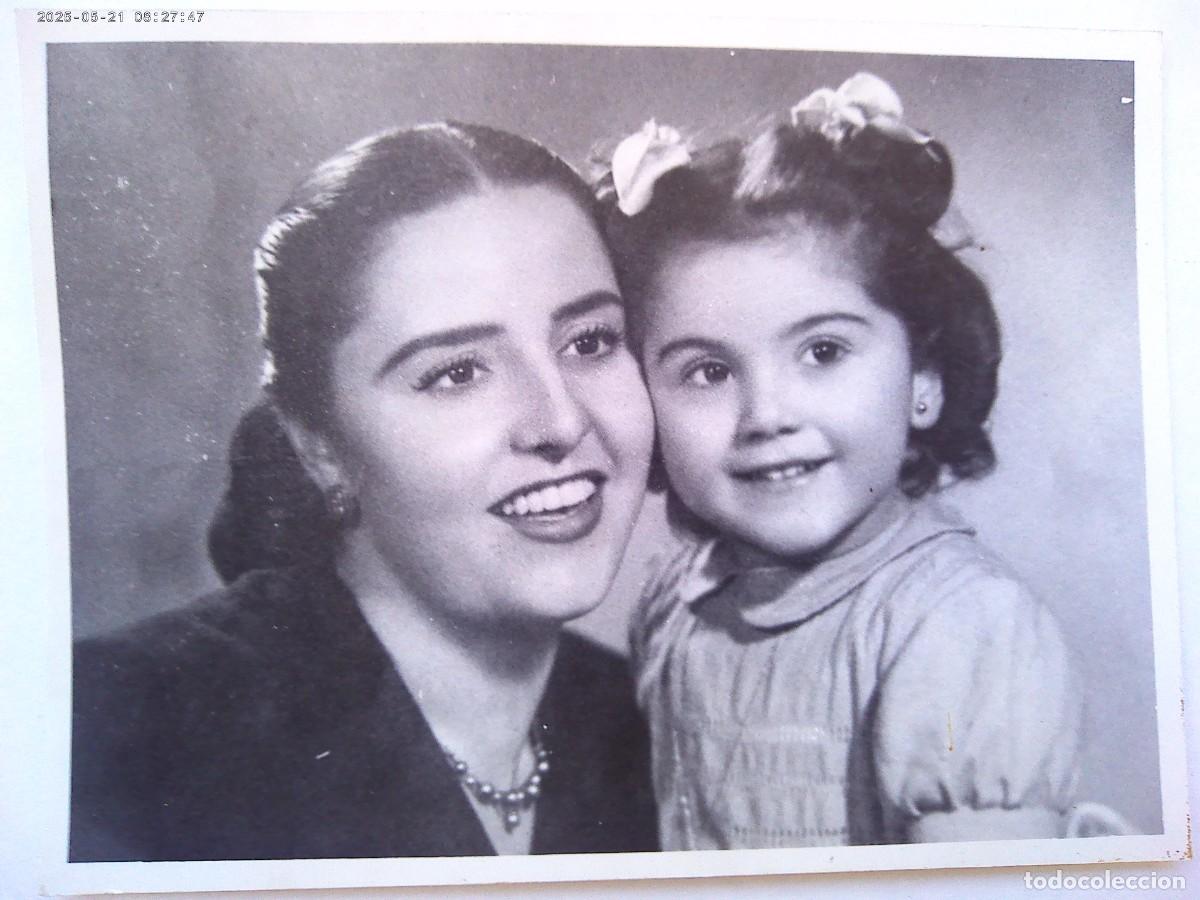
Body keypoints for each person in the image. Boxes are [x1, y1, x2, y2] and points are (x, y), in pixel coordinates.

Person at [70, 122, 659, 861]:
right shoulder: (107, 724)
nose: (561, 421)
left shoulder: (655, 721)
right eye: (457, 372)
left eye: (590, 342)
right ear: (320, 444)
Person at [596, 74, 1096, 849]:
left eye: (822, 352)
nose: (767, 416)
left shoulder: (962, 629)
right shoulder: (673, 604)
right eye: (708, 371)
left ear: (923, 380)